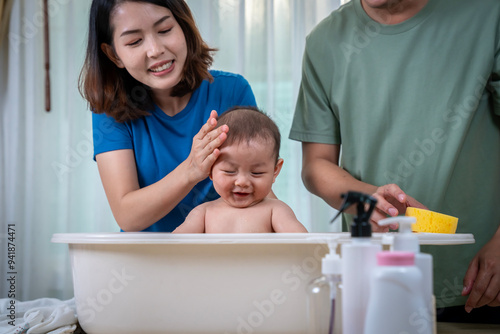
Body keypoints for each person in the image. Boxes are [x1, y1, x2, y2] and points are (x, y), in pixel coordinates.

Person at [289, 0, 500, 323]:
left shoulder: (488, 15)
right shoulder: (325, 42)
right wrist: (363, 200)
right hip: (372, 286)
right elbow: (316, 164)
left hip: (481, 286)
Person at [79, 0, 257, 232]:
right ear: (114, 55)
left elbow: (258, 190)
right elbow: (127, 216)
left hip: (220, 256)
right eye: (134, 41)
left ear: (184, 27)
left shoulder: (233, 91)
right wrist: (191, 169)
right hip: (144, 262)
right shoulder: (111, 110)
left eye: (165, 30)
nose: (155, 50)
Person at [173, 107, 308, 233]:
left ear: (275, 171)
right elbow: (172, 249)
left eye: (256, 173)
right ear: (210, 169)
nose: (242, 182)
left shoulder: (275, 211)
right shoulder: (203, 213)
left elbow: (304, 245)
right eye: (230, 171)